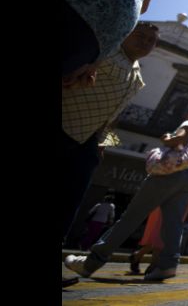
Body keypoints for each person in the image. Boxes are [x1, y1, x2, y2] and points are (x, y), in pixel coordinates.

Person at [65, 105, 188, 281]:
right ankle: (167, 265)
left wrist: (168, 138)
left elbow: (179, 139)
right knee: (173, 225)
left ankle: (91, 262)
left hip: (169, 175)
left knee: (130, 218)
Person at [62, 22, 160, 249]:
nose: (145, 42)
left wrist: (103, 142)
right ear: (127, 33)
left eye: (151, 41)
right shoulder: (105, 51)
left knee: (70, 198)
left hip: (88, 141)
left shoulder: (137, 75)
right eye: (140, 35)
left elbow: (115, 112)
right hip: (65, 123)